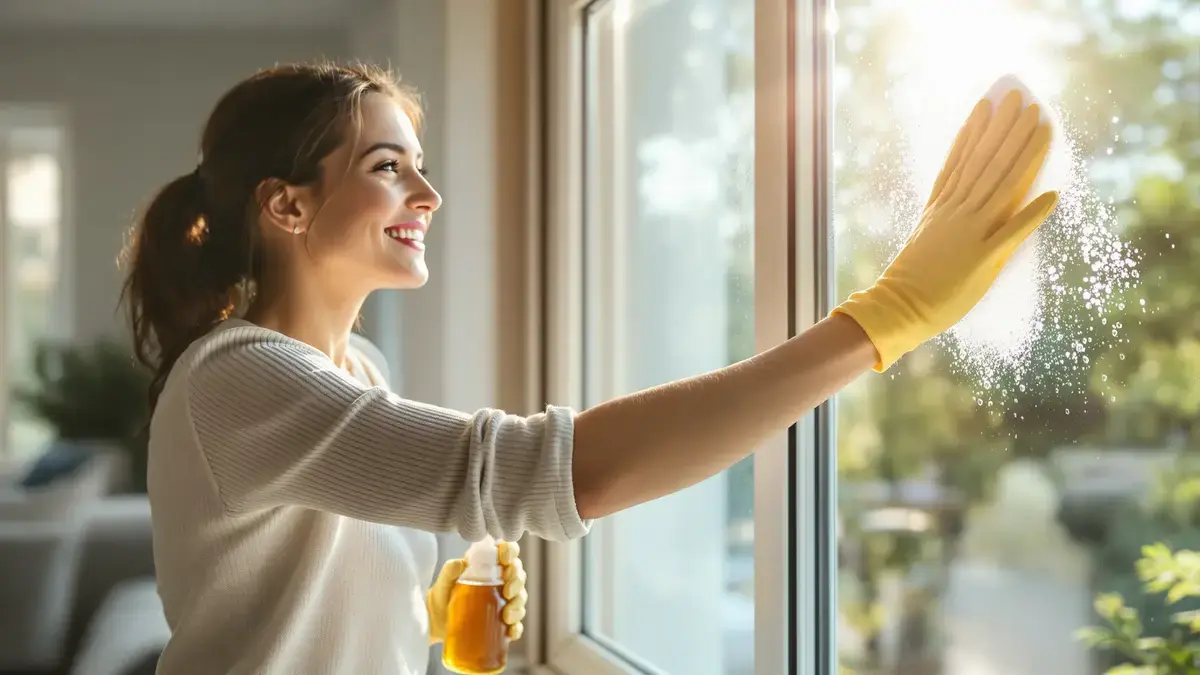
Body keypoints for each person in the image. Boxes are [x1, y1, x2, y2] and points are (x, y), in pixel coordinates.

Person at [120, 61, 1057, 674]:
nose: (429, 193)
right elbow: (565, 471)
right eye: (387, 166)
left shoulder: (354, 366)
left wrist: (426, 603)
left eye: (420, 164)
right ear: (285, 207)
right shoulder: (236, 379)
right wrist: (880, 320)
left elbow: (314, 586)